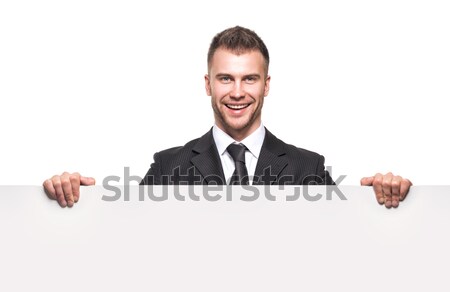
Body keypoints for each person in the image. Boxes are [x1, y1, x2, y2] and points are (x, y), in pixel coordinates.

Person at [43, 26, 412, 208]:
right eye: (226, 78)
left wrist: (383, 197)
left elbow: (346, 249)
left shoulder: (307, 168)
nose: (237, 92)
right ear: (208, 84)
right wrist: (76, 202)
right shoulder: (168, 168)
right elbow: (125, 247)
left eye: (249, 78)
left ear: (266, 85)